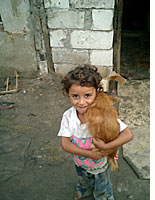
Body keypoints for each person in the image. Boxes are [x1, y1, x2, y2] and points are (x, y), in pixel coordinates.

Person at [58, 65, 133, 200]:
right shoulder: (68, 116)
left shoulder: (104, 114)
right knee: (83, 180)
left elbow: (128, 134)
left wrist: (106, 147)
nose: (81, 102)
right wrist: (88, 154)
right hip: (79, 162)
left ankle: (103, 196)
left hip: (100, 165)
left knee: (102, 186)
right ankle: (83, 190)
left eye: (87, 95)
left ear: (97, 92)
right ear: (67, 93)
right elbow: (65, 143)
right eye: (75, 96)